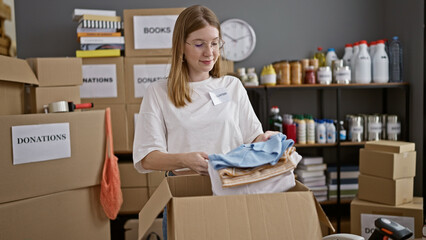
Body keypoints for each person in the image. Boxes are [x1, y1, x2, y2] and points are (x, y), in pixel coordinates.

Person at [132, 5, 278, 239]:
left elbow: (253, 137)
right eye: (199, 44)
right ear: (181, 46)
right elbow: (146, 158)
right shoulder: (158, 92)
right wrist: (183, 159)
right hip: (185, 194)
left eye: (215, 43)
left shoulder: (232, 86)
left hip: (232, 189)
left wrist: (266, 140)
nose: (209, 52)